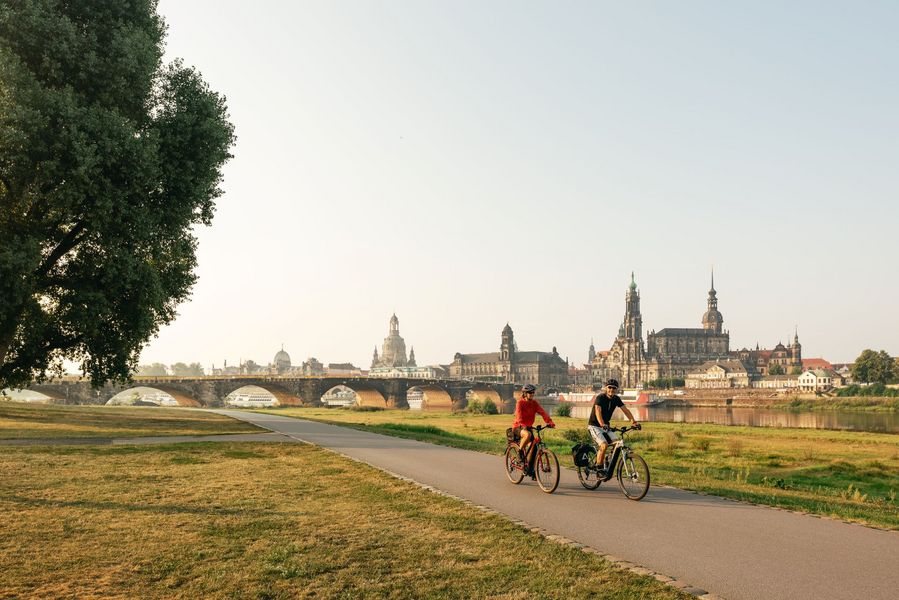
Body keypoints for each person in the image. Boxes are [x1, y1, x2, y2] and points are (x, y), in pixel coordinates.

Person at [588, 378, 639, 472]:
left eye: (614, 388)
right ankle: (599, 468)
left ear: (616, 389)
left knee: (617, 443)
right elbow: (598, 411)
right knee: (604, 445)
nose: (611, 389)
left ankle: (607, 460)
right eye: (609, 387)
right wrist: (602, 424)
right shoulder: (600, 397)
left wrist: (634, 422)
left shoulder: (616, 399)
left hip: (606, 427)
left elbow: (625, 410)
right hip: (594, 426)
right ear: (606, 388)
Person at [511, 383, 555, 467]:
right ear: (525, 393)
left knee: (534, 447)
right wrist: (523, 425)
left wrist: (549, 422)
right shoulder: (520, 403)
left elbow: (542, 412)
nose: (532, 394)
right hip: (518, 427)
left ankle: (530, 469)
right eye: (530, 392)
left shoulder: (534, 403)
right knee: (527, 435)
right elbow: (519, 416)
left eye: (533, 392)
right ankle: (520, 452)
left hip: (528, 427)